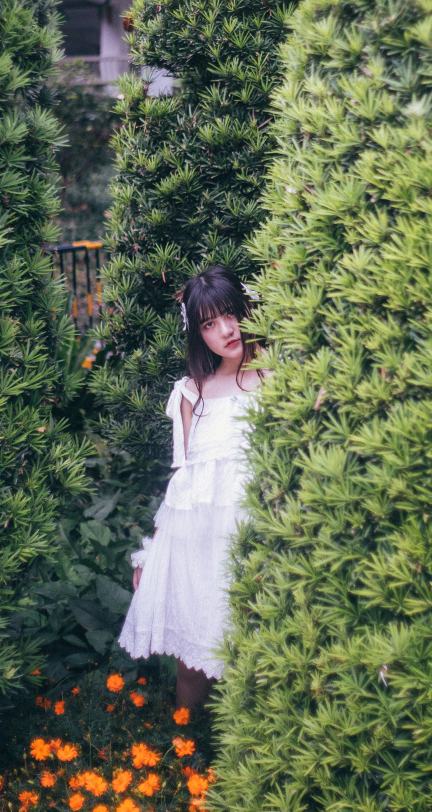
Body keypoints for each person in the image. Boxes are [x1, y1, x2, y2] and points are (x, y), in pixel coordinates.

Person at [118, 264, 264, 708]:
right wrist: (152, 552)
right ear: (198, 334)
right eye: (209, 324)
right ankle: (187, 738)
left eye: (231, 314)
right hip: (200, 540)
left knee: (258, 645)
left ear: (248, 309)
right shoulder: (192, 393)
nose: (226, 330)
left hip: (256, 529)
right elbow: (183, 480)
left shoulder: (277, 377)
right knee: (194, 654)